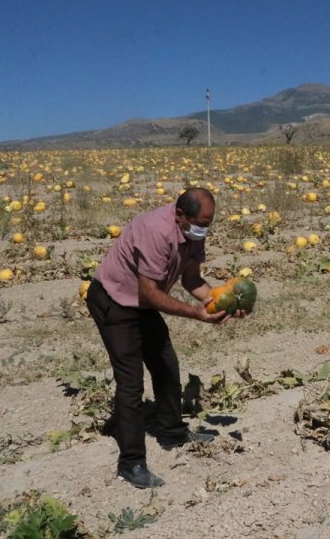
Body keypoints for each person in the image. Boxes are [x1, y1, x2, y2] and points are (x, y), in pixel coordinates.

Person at [87, 187, 242, 488]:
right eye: (202, 222)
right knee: (130, 381)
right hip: (113, 301)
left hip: (142, 302)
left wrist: (222, 303)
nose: (205, 228)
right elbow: (150, 293)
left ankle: (173, 432)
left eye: (210, 222)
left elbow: (192, 279)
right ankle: (131, 463)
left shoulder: (193, 231)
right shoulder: (155, 231)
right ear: (180, 215)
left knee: (166, 364)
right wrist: (196, 313)